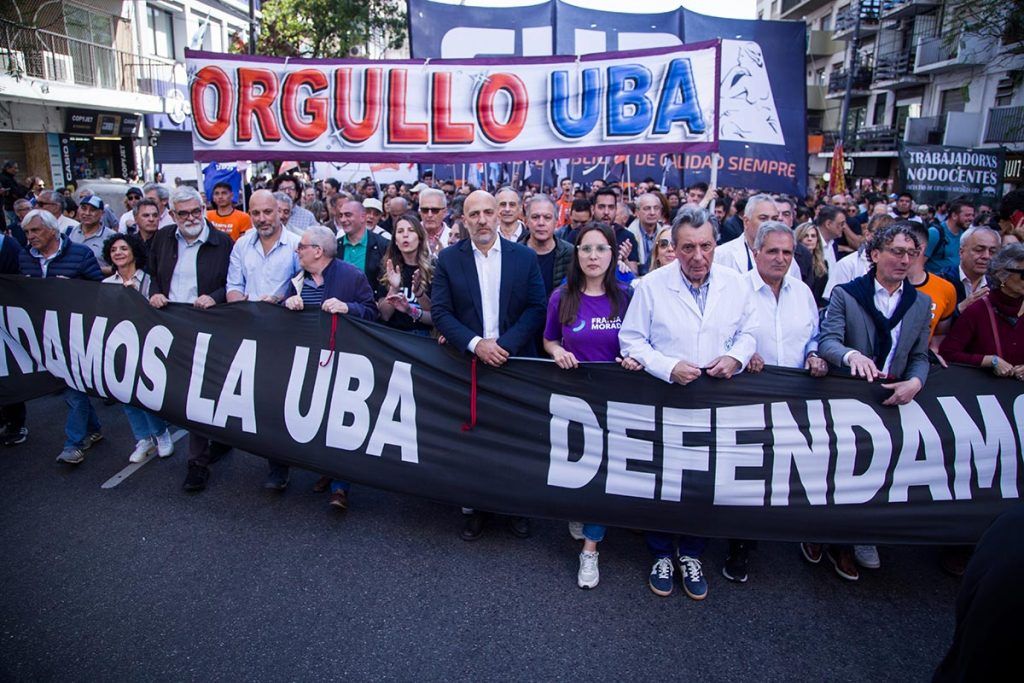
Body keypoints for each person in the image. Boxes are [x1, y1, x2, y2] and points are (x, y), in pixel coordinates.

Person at [619, 205, 758, 601]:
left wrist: (736, 357)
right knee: (664, 479)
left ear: (716, 244)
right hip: (667, 395)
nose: (698, 257)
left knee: (704, 480)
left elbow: (750, 329)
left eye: (706, 246)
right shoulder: (650, 286)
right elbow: (632, 340)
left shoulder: (737, 283)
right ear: (674, 248)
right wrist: (668, 366)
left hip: (716, 399)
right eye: (688, 247)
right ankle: (662, 553)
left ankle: (692, 553)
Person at [816, 223, 933, 580]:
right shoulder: (847, 295)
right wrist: (852, 356)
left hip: (889, 397)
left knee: (878, 472)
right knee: (839, 470)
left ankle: (863, 536)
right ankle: (830, 537)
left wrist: (915, 380)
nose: (904, 260)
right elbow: (828, 340)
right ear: (875, 255)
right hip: (848, 396)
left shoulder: (920, 303)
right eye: (896, 252)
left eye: (910, 254)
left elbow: (919, 354)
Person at [431, 190, 547, 541]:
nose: (481, 219)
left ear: (500, 215)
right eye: (473, 214)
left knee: (514, 439)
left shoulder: (524, 257)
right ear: (464, 220)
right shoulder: (449, 260)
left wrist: (504, 347)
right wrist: (477, 344)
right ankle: (475, 508)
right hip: (468, 364)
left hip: (513, 362)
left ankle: (515, 507)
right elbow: (440, 312)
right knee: (472, 441)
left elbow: (536, 307)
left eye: (487, 212)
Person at [542, 221, 641, 589]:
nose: (593, 256)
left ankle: (590, 551)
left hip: (616, 403)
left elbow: (641, 343)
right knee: (578, 473)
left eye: (601, 249)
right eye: (586, 249)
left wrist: (633, 358)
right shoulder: (561, 297)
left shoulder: (628, 296)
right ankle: (578, 510)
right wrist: (558, 352)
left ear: (613, 254)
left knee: (605, 476)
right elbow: (548, 339)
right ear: (576, 254)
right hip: (572, 403)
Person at [740, 221, 829, 583]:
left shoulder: (803, 292)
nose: (781, 259)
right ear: (756, 252)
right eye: (773, 251)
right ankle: (741, 544)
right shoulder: (736, 290)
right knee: (748, 478)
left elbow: (813, 335)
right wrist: (745, 353)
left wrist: (814, 355)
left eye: (788, 253)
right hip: (747, 398)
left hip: (794, 399)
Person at [283, 225, 379, 510]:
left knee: (340, 424)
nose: (297, 251)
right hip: (310, 360)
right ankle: (326, 470)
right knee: (318, 419)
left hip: (344, 359)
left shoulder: (351, 275)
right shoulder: (297, 279)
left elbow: (371, 311)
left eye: (301, 246)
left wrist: (348, 308)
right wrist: (289, 303)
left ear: (318, 251)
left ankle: (340, 487)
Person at [147, 186, 234, 493]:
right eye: (182, 213)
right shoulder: (162, 237)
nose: (190, 218)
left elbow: (233, 283)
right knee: (179, 390)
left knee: (198, 392)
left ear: (204, 208)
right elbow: (154, 272)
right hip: (169, 324)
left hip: (206, 326)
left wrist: (214, 297)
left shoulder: (222, 242)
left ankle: (197, 463)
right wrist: (154, 292)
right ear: (172, 215)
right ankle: (219, 438)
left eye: (196, 211)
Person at [18, 209, 104, 464]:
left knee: (73, 387)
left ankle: (73, 443)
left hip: (75, 334)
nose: (31, 236)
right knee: (67, 384)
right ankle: (94, 428)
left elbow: (99, 291)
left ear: (53, 230)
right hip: (42, 336)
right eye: (26, 232)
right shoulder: (25, 257)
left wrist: (72, 290)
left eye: (35, 230)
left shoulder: (80, 254)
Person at [100, 233, 175, 463]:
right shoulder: (106, 284)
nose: (119, 253)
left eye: (123, 248)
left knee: (145, 393)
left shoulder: (149, 280)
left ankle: (161, 434)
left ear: (133, 251)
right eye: (114, 250)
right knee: (124, 394)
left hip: (146, 345)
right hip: (118, 346)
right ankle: (143, 438)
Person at [939, 243, 1024, 377]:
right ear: (1002, 274)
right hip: (986, 392)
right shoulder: (978, 310)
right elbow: (948, 353)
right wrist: (989, 360)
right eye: (1023, 274)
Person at [716, 194, 801, 280]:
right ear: (746, 222)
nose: (770, 224)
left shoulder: (788, 261)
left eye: (774, 219)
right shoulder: (722, 255)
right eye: (763, 218)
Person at [376, 213, 434, 336]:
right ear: (395, 241)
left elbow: (436, 317)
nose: (405, 235)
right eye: (400, 231)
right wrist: (394, 288)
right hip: (393, 336)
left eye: (411, 230)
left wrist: (417, 297)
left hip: (424, 337)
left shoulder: (434, 268)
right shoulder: (388, 267)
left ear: (420, 238)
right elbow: (385, 315)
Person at [905, 222, 956, 345]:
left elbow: (940, 333)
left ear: (920, 248)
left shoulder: (945, 289)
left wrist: (933, 352)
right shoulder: (878, 284)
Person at [823, 213, 889, 300]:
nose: (882, 240)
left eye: (888, 237)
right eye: (878, 234)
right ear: (867, 234)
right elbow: (833, 300)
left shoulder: (898, 266)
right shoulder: (846, 264)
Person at [939, 226, 1001, 314]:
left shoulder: (996, 285)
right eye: (979, 250)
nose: (986, 256)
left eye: (992, 252)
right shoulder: (943, 280)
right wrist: (960, 308)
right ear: (961, 252)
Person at [522, 195, 573, 296]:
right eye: (535, 217)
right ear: (526, 221)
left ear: (556, 221)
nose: (541, 223)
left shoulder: (571, 254)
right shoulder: (514, 254)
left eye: (547, 217)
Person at [336, 199, 389, 287]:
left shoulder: (382, 245)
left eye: (348, 215)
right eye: (340, 216)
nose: (343, 220)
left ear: (362, 217)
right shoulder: (336, 246)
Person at [591, 187, 640, 274]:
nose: (606, 212)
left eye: (611, 207)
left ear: (616, 210)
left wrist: (625, 260)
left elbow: (634, 274)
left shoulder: (627, 237)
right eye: (601, 207)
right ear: (593, 209)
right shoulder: (579, 234)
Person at [68, 195, 117, 276]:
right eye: (84, 208)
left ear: (102, 213)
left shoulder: (112, 237)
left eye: (92, 210)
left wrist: (92, 269)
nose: (87, 213)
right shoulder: (69, 232)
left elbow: (119, 268)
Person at [926, 199, 975, 274]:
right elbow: (918, 263)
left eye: (972, 215)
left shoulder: (966, 235)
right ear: (954, 215)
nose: (971, 219)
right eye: (967, 215)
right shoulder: (935, 233)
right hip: (935, 281)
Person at [627, 193, 665, 274]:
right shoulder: (628, 236)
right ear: (637, 212)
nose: (652, 212)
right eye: (647, 208)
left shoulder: (665, 234)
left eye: (656, 208)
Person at [796, 222, 828, 304]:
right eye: (805, 236)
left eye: (813, 236)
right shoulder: (795, 262)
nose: (810, 239)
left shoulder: (823, 264)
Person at [418, 188, 451, 255]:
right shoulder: (411, 235)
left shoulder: (454, 237)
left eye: (435, 210)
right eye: (425, 210)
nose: (429, 215)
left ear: (445, 212)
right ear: (419, 212)